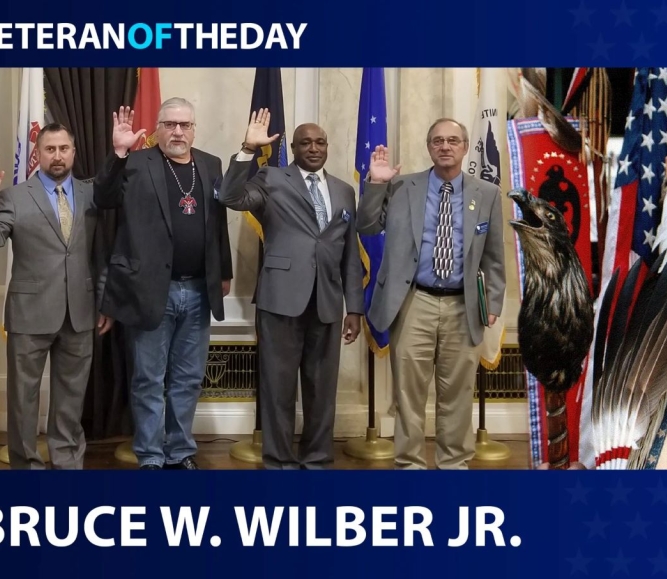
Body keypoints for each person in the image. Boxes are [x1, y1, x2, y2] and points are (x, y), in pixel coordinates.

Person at [357, 118, 506, 470]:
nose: (445, 146)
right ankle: (409, 465)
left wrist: (494, 301)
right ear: (429, 147)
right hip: (413, 302)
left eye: (453, 140)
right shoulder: (401, 186)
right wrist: (376, 185)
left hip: (463, 304)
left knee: (457, 394)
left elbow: (495, 256)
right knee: (409, 393)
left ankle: (453, 466)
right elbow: (365, 226)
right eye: (437, 140)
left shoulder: (486, 194)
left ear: (465, 147)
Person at [219, 108, 364, 470]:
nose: (313, 148)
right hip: (281, 299)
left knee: (322, 390)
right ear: (294, 148)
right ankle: (279, 462)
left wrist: (355, 308)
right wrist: (247, 150)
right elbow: (229, 197)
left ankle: (316, 460)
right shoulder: (271, 178)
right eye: (305, 143)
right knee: (278, 388)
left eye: (319, 142)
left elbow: (348, 254)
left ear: (327, 146)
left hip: (328, 302)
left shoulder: (345, 191)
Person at [93, 99, 233, 470]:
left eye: (185, 125)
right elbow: (103, 198)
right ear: (157, 128)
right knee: (149, 380)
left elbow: (217, 223)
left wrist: (224, 271)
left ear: (194, 129)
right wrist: (119, 153)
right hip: (150, 289)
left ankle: (181, 451)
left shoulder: (209, 164)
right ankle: (152, 456)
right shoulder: (137, 163)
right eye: (170, 124)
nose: (177, 132)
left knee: (187, 379)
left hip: (199, 290)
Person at [0, 124, 112, 470]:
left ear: (74, 153)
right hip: (30, 312)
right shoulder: (14, 196)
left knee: (71, 398)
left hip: (80, 311)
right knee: (23, 399)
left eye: (64, 148)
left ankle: (67, 466)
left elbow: (102, 251)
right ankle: (26, 467)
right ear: (38, 154)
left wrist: (104, 300)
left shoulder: (92, 194)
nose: (58, 155)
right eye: (50, 149)